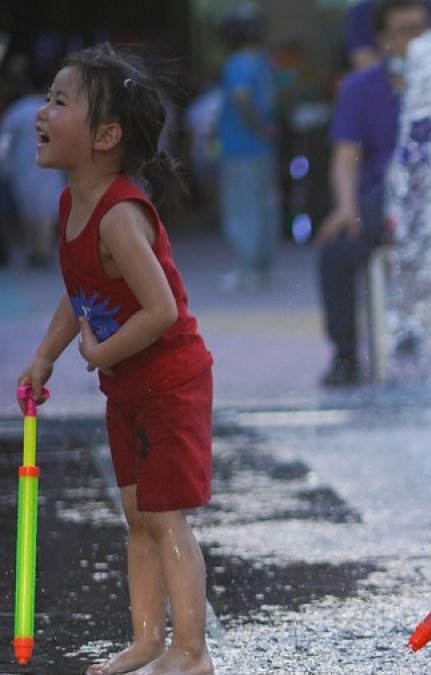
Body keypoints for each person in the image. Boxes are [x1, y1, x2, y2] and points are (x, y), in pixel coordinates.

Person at [16, 44, 215, 675]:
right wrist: (46, 354)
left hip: (170, 382)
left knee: (163, 516)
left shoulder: (120, 215)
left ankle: (191, 651)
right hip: (129, 387)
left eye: (59, 101)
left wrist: (98, 350)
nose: (41, 113)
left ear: (105, 135)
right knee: (136, 515)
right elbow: (81, 292)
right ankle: (146, 640)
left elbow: (160, 310)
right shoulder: (72, 204)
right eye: (46, 98)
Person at [316, 0, 431, 387]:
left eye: (422, 29)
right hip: (381, 196)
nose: (416, 41)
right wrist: (346, 207)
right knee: (335, 248)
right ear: (385, 39)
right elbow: (345, 154)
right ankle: (346, 355)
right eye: (405, 31)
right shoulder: (360, 87)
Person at [216, 3, 280, 292]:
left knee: (242, 207)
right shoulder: (263, 62)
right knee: (264, 205)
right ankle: (262, 265)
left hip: (239, 147)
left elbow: (242, 99)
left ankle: (247, 266)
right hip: (263, 148)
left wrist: (256, 126)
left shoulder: (237, 63)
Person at [0, 53, 66, 268]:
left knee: (29, 209)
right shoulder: (53, 110)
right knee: (45, 209)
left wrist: (5, 166)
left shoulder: (17, 110)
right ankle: (42, 251)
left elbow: (5, 140)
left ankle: (35, 250)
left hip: (24, 166)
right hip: (50, 164)